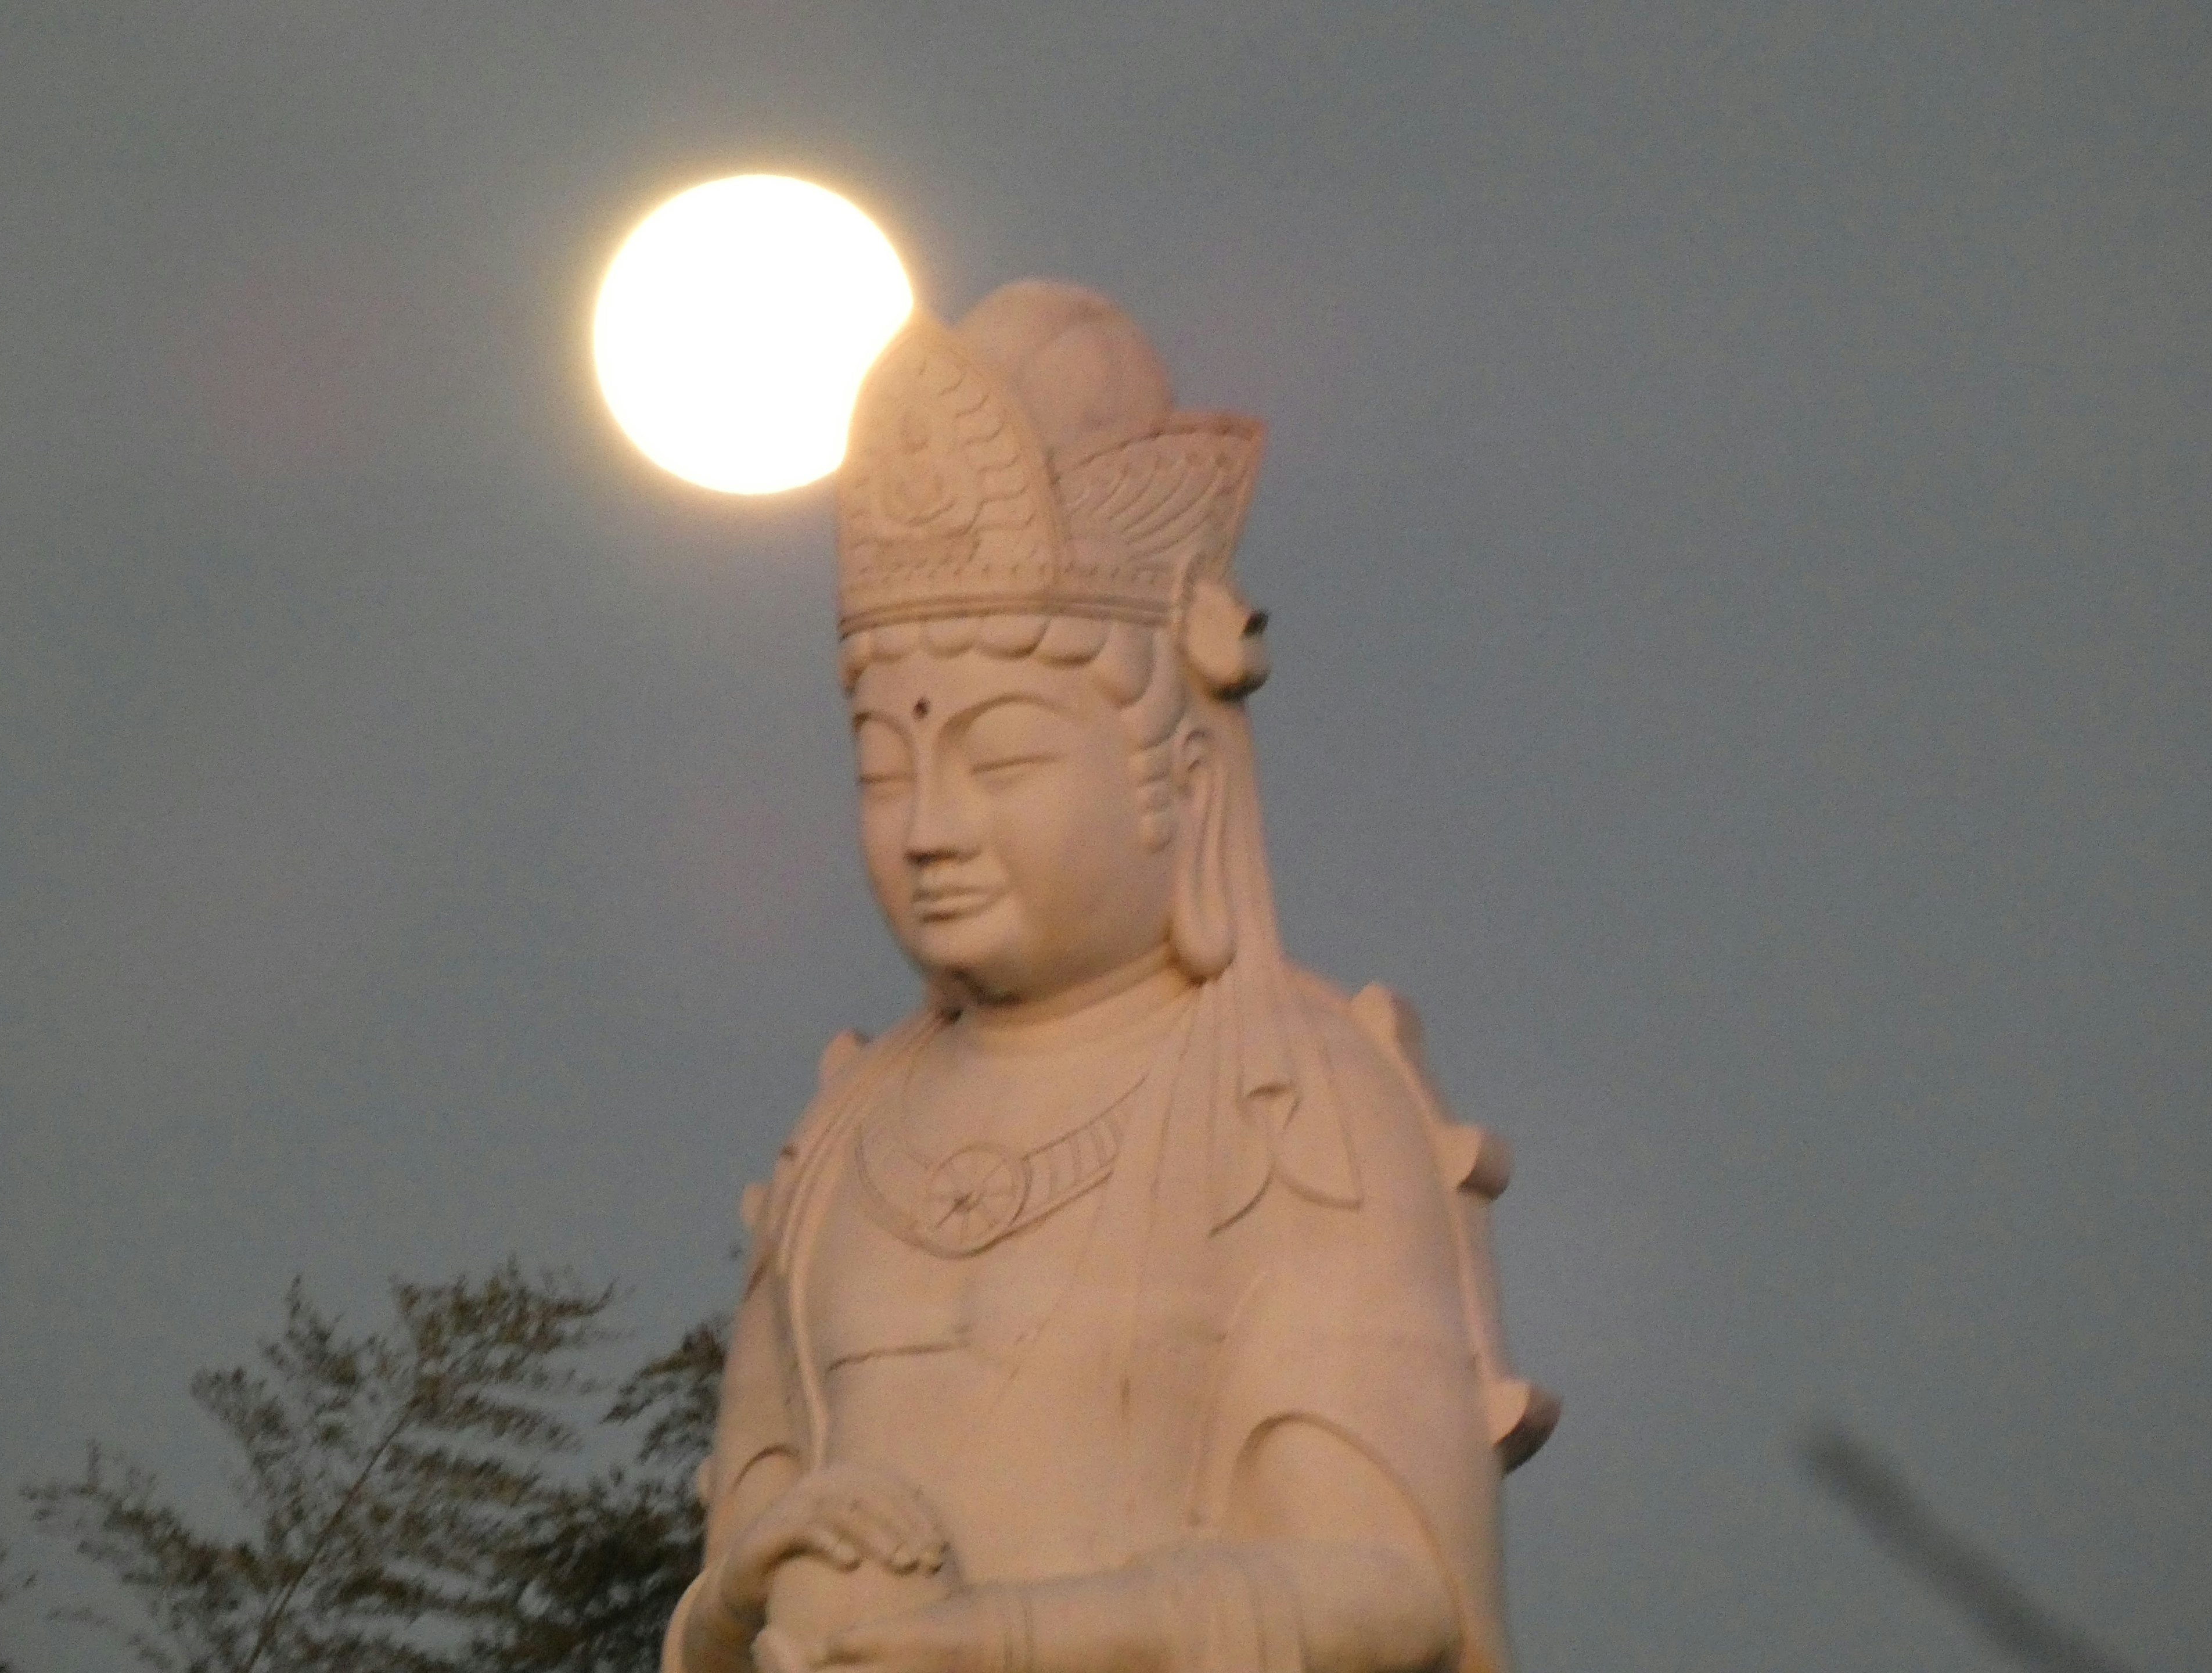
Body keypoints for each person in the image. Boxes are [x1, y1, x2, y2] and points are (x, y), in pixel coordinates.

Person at [663, 281, 1555, 1673]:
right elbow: (724, 1592)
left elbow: (1391, 1589)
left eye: (1004, 761)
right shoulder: (841, 1136)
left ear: (1177, 776)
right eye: (884, 770)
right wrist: (747, 1588)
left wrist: (999, 1642)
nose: (930, 827)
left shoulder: (1289, 1101)